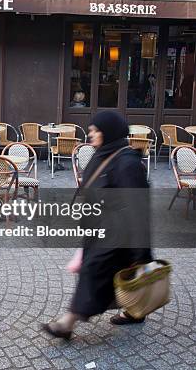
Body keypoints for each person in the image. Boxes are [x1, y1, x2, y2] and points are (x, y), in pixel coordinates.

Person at [42, 110, 152, 339]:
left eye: (95, 131)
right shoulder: (103, 154)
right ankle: (134, 310)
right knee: (116, 275)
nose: (90, 135)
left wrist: (141, 251)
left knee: (93, 271)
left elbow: (137, 209)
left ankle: (67, 323)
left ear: (108, 132)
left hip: (119, 234)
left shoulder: (126, 163)